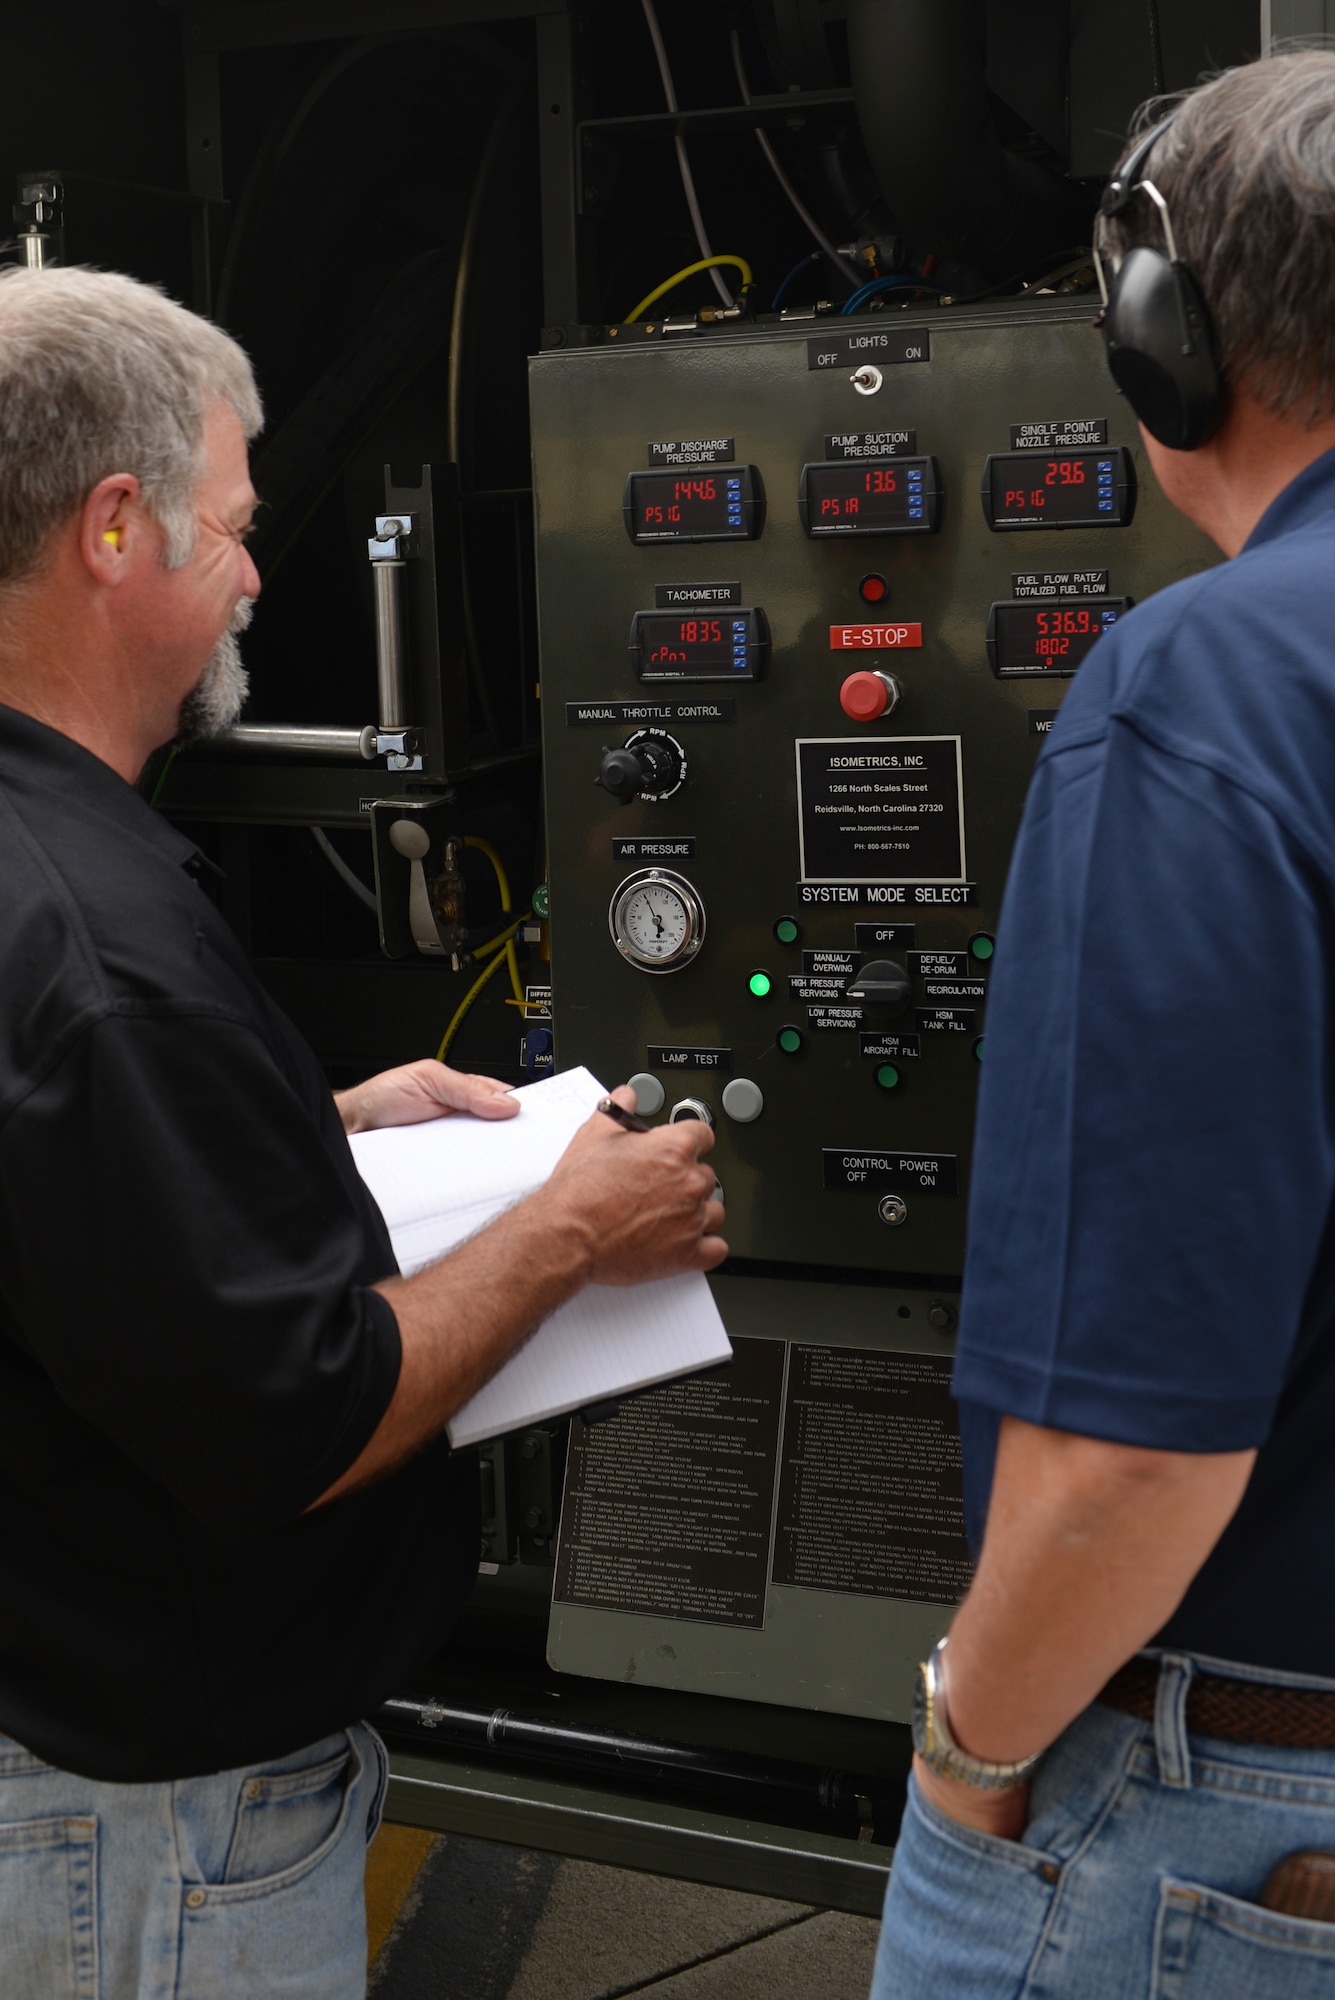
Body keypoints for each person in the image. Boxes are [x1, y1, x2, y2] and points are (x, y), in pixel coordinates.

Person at [0, 265, 726, 1999]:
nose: (256, 573)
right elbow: (292, 1426)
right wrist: (576, 1230)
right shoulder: (103, 957)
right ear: (117, 531)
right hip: (159, 1838)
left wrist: (300, 1126)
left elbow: (56, 1182)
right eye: (235, 530)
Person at [871, 50, 1335, 2000]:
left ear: (1164, 337)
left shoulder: (1202, 692)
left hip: (1223, 1802)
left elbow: (1127, 1454)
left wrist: (967, 1754)